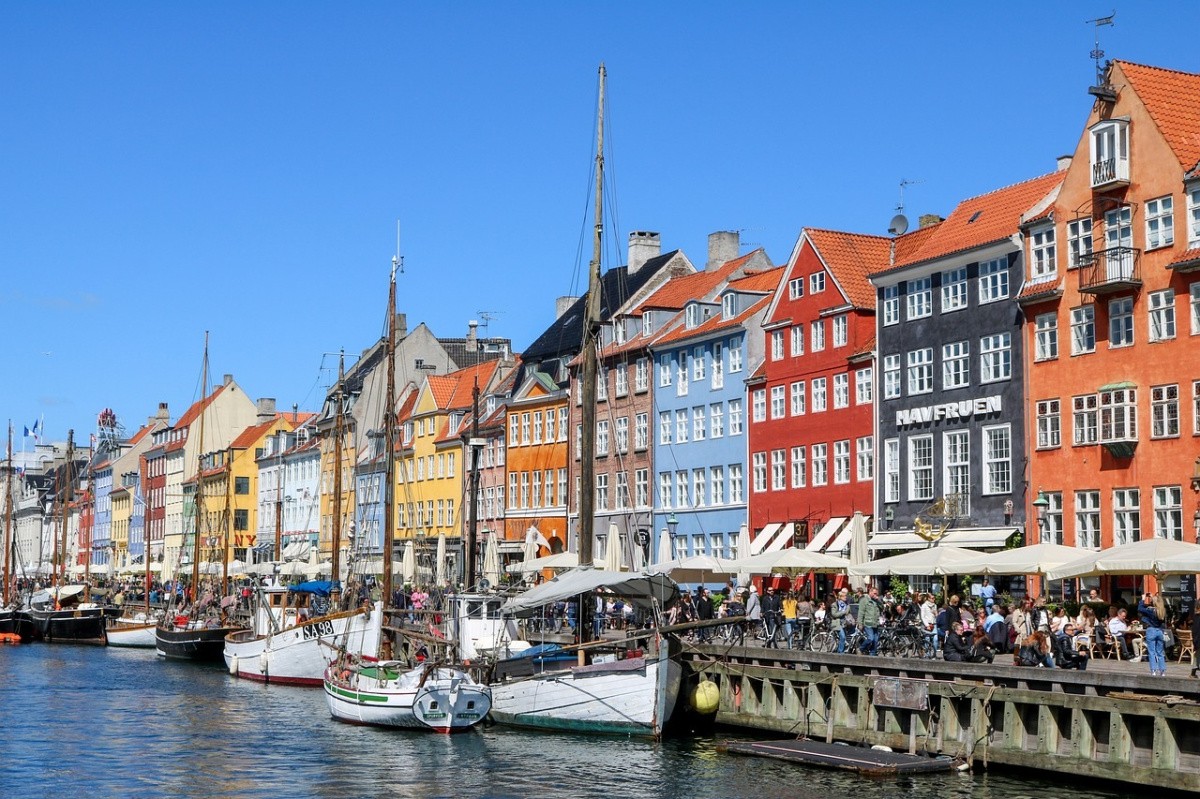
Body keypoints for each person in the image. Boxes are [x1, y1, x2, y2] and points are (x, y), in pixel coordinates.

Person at [1138, 591, 1167, 676]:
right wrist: (1152, 597)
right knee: (1160, 652)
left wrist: (1143, 599)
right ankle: (1162, 671)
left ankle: (1153, 670)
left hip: (1151, 630)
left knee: (1151, 652)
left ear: (1153, 602)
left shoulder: (1150, 610)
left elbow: (1140, 608)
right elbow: (1157, 603)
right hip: (1160, 631)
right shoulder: (1162, 611)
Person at [858, 586, 883, 656]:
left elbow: (882, 608)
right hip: (868, 623)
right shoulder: (864, 600)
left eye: (877, 594)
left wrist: (878, 600)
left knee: (875, 640)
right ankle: (861, 649)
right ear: (870, 592)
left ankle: (872, 655)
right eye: (874, 593)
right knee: (870, 638)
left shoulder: (876, 601)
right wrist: (860, 623)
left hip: (875, 623)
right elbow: (861, 612)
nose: (876, 595)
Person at [830, 589, 852, 653]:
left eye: (846, 596)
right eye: (844, 596)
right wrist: (843, 612)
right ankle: (840, 652)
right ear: (840, 597)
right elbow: (834, 614)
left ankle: (840, 650)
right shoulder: (835, 604)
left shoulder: (847, 605)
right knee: (842, 637)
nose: (846, 597)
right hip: (837, 623)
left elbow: (848, 613)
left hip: (844, 623)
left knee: (843, 638)